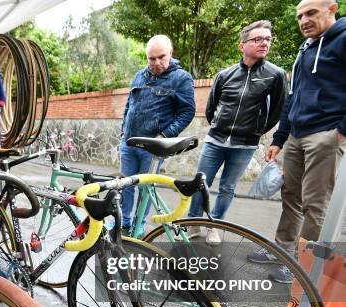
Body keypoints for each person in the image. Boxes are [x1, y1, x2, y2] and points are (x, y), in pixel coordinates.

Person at [248, 0, 345, 283]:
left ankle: (304, 266)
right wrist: (280, 137)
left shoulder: (342, 39)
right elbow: (294, 97)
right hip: (296, 136)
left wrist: (339, 132)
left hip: (325, 135)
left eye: (311, 13)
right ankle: (282, 250)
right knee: (291, 197)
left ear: (332, 8)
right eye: (300, 16)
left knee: (315, 205)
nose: (304, 20)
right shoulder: (306, 48)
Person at [188, 20, 287, 244]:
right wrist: (219, 126)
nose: (264, 43)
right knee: (200, 182)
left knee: (228, 188)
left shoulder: (275, 75)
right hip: (216, 140)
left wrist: (258, 130)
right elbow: (211, 107)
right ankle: (193, 220)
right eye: (257, 39)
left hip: (245, 145)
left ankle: (215, 224)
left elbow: (279, 110)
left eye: (268, 39)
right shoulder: (225, 74)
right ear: (242, 45)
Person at [120, 35, 195, 236]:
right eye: (151, 59)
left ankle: (138, 225)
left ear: (170, 53)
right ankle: (124, 223)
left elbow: (187, 112)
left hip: (152, 147)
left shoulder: (181, 79)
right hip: (128, 143)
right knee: (125, 186)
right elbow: (129, 105)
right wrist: (122, 129)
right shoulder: (139, 76)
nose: (157, 63)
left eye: (161, 57)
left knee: (145, 189)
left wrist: (165, 135)